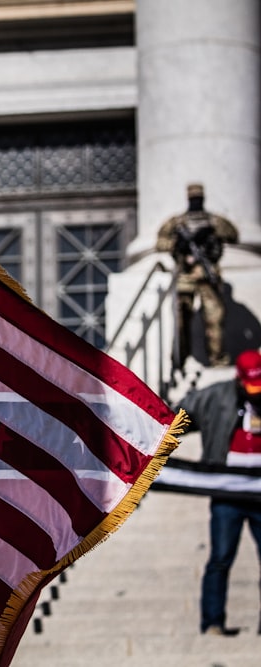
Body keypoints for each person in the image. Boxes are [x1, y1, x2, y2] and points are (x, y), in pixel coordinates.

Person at [176, 348, 261, 636]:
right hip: (227, 493)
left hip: (259, 494)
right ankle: (213, 622)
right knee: (221, 557)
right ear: (239, 380)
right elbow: (180, 414)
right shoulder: (216, 396)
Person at [156, 183, 239, 368]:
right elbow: (159, 242)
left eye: (198, 199)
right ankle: (179, 361)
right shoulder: (177, 223)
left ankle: (217, 360)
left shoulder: (214, 221)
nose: (196, 202)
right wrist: (178, 244)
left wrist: (211, 233)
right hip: (185, 277)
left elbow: (233, 235)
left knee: (215, 319)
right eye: (193, 199)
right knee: (181, 320)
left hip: (208, 277)